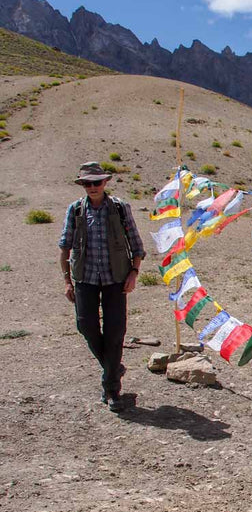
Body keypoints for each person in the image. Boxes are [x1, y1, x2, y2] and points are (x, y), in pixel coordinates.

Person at [58, 162, 146, 412]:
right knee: (85, 325)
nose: (93, 187)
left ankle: (111, 389)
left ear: (105, 182)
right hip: (84, 278)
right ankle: (113, 367)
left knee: (115, 332)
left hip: (116, 279)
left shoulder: (119, 208)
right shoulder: (75, 210)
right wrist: (66, 281)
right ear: (82, 185)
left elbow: (136, 244)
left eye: (97, 182)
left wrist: (134, 272)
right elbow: (64, 247)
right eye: (88, 183)